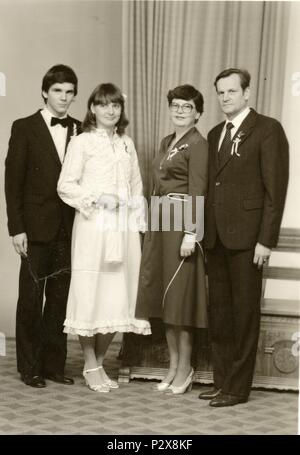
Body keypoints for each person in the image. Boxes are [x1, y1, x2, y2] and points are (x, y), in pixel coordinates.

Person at [200, 68, 289, 407]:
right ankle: (223, 382)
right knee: (220, 314)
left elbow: (274, 191)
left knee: (244, 314)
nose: (225, 97)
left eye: (232, 92)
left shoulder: (267, 129)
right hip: (217, 240)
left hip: (249, 241)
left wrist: (266, 241)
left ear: (247, 93)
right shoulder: (214, 134)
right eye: (220, 92)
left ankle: (238, 389)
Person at [57, 83, 151, 393]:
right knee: (91, 291)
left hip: (123, 230)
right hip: (93, 228)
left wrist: (138, 223)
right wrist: (98, 198)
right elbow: (66, 186)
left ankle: (96, 361)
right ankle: (90, 362)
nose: (111, 111)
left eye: (116, 106)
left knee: (119, 293)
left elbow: (136, 186)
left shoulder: (126, 144)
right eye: (104, 105)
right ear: (93, 108)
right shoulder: (81, 142)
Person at [5, 64, 81, 388]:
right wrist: (16, 228)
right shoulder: (23, 127)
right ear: (44, 92)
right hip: (34, 229)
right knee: (32, 299)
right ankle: (30, 367)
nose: (63, 98)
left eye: (69, 92)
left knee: (60, 301)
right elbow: (12, 182)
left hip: (69, 229)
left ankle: (53, 366)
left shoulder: (81, 129)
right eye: (57, 91)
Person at [135, 85, 208, 394]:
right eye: (176, 105)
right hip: (161, 221)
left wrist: (191, 232)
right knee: (165, 302)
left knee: (181, 302)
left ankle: (185, 368)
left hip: (181, 224)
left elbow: (197, 189)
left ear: (198, 113)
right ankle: (173, 367)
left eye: (187, 107)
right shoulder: (167, 141)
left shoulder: (198, 144)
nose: (180, 111)